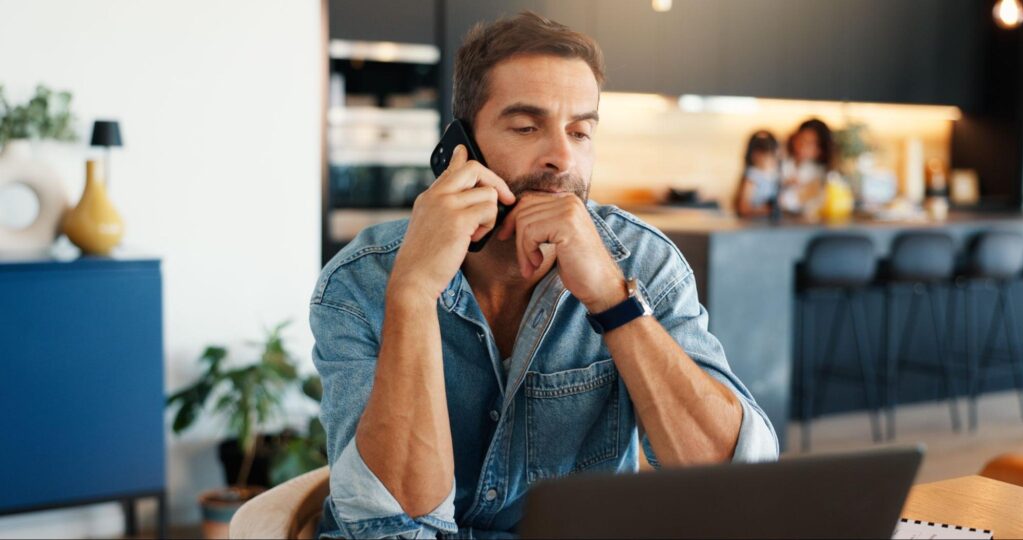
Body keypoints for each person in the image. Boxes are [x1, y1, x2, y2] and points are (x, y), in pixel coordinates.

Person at [311, 12, 778, 538]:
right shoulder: (359, 283)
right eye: (527, 127)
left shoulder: (643, 264)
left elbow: (737, 482)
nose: (562, 158)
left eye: (580, 131)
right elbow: (391, 519)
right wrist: (414, 292)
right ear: (461, 146)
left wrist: (612, 299)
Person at [778, 118, 834, 216]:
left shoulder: (819, 174)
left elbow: (788, 202)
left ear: (820, 150)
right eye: (801, 140)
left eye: (810, 143)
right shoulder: (783, 164)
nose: (802, 147)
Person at [733, 130, 781, 218]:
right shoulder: (752, 177)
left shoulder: (773, 176)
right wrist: (767, 210)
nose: (772, 160)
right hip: (753, 222)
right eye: (767, 155)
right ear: (755, 155)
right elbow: (743, 208)